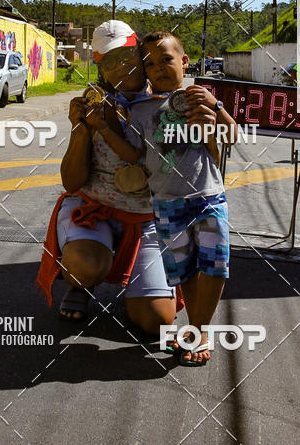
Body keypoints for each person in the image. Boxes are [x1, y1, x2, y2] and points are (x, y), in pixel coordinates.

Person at [94, 29, 237, 366]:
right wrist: (103, 127)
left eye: (166, 60)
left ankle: (200, 329)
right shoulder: (140, 110)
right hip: (167, 203)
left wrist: (216, 109)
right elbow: (133, 153)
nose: (158, 67)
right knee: (184, 270)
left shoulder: (198, 97)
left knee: (215, 266)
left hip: (208, 196)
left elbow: (231, 135)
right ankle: (194, 328)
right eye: (149, 63)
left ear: (185, 61)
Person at [36, 20, 178, 334]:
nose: (123, 67)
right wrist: (80, 129)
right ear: (102, 69)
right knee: (87, 265)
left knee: (158, 322)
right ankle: (81, 284)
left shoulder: (169, 101)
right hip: (95, 209)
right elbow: (71, 183)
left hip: (149, 219)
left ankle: (140, 286)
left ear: (142, 55)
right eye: (112, 62)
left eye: (129, 57)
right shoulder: (94, 106)